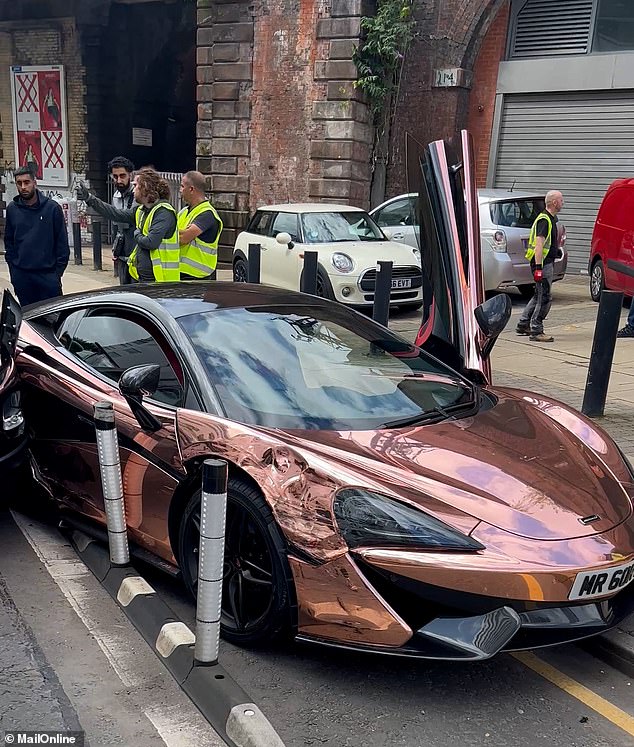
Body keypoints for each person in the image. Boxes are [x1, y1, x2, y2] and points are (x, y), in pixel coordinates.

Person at [76, 167, 179, 283]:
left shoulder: (164, 212)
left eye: (135, 186)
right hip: (142, 278)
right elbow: (114, 213)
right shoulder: (141, 210)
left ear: (145, 188)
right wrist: (90, 199)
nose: (133, 190)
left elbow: (150, 242)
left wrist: (137, 233)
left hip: (160, 281)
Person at [4, 166, 69, 305]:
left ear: (35, 182)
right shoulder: (12, 209)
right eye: (19, 183)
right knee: (29, 321)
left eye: (26, 182)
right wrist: (15, 274)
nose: (23, 187)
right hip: (22, 277)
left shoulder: (52, 209)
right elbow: (9, 243)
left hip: (48, 277)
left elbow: (62, 245)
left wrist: (56, 275)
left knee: (53, 321)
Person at [516, 190, 565, 343]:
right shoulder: (544, 220)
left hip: (544, 262)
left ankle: (524, 324)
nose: (563, 203)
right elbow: (539, 245)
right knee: (545, 297)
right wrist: (538, 268)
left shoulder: (549, 219)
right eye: (561, 200)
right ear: (555, 202)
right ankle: (536, 329)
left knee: (538, 294)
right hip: (542, 264)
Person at [178, 171, 223, 280]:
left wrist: (167, 232)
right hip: (181, 272)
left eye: (182, 186)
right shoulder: (184, 211)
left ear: (191, 189)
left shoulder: (207, 214)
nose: (180, 190)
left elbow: (184, 238)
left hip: (197, 277)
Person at [107, 156, 136, 285]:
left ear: (130, 175)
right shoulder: (116, 196)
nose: (119, 180)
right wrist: (115, 248)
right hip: (123, 254)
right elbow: (116, 226)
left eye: (122, 176)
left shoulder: (138, 194)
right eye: (115, 176)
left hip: (137, 252)